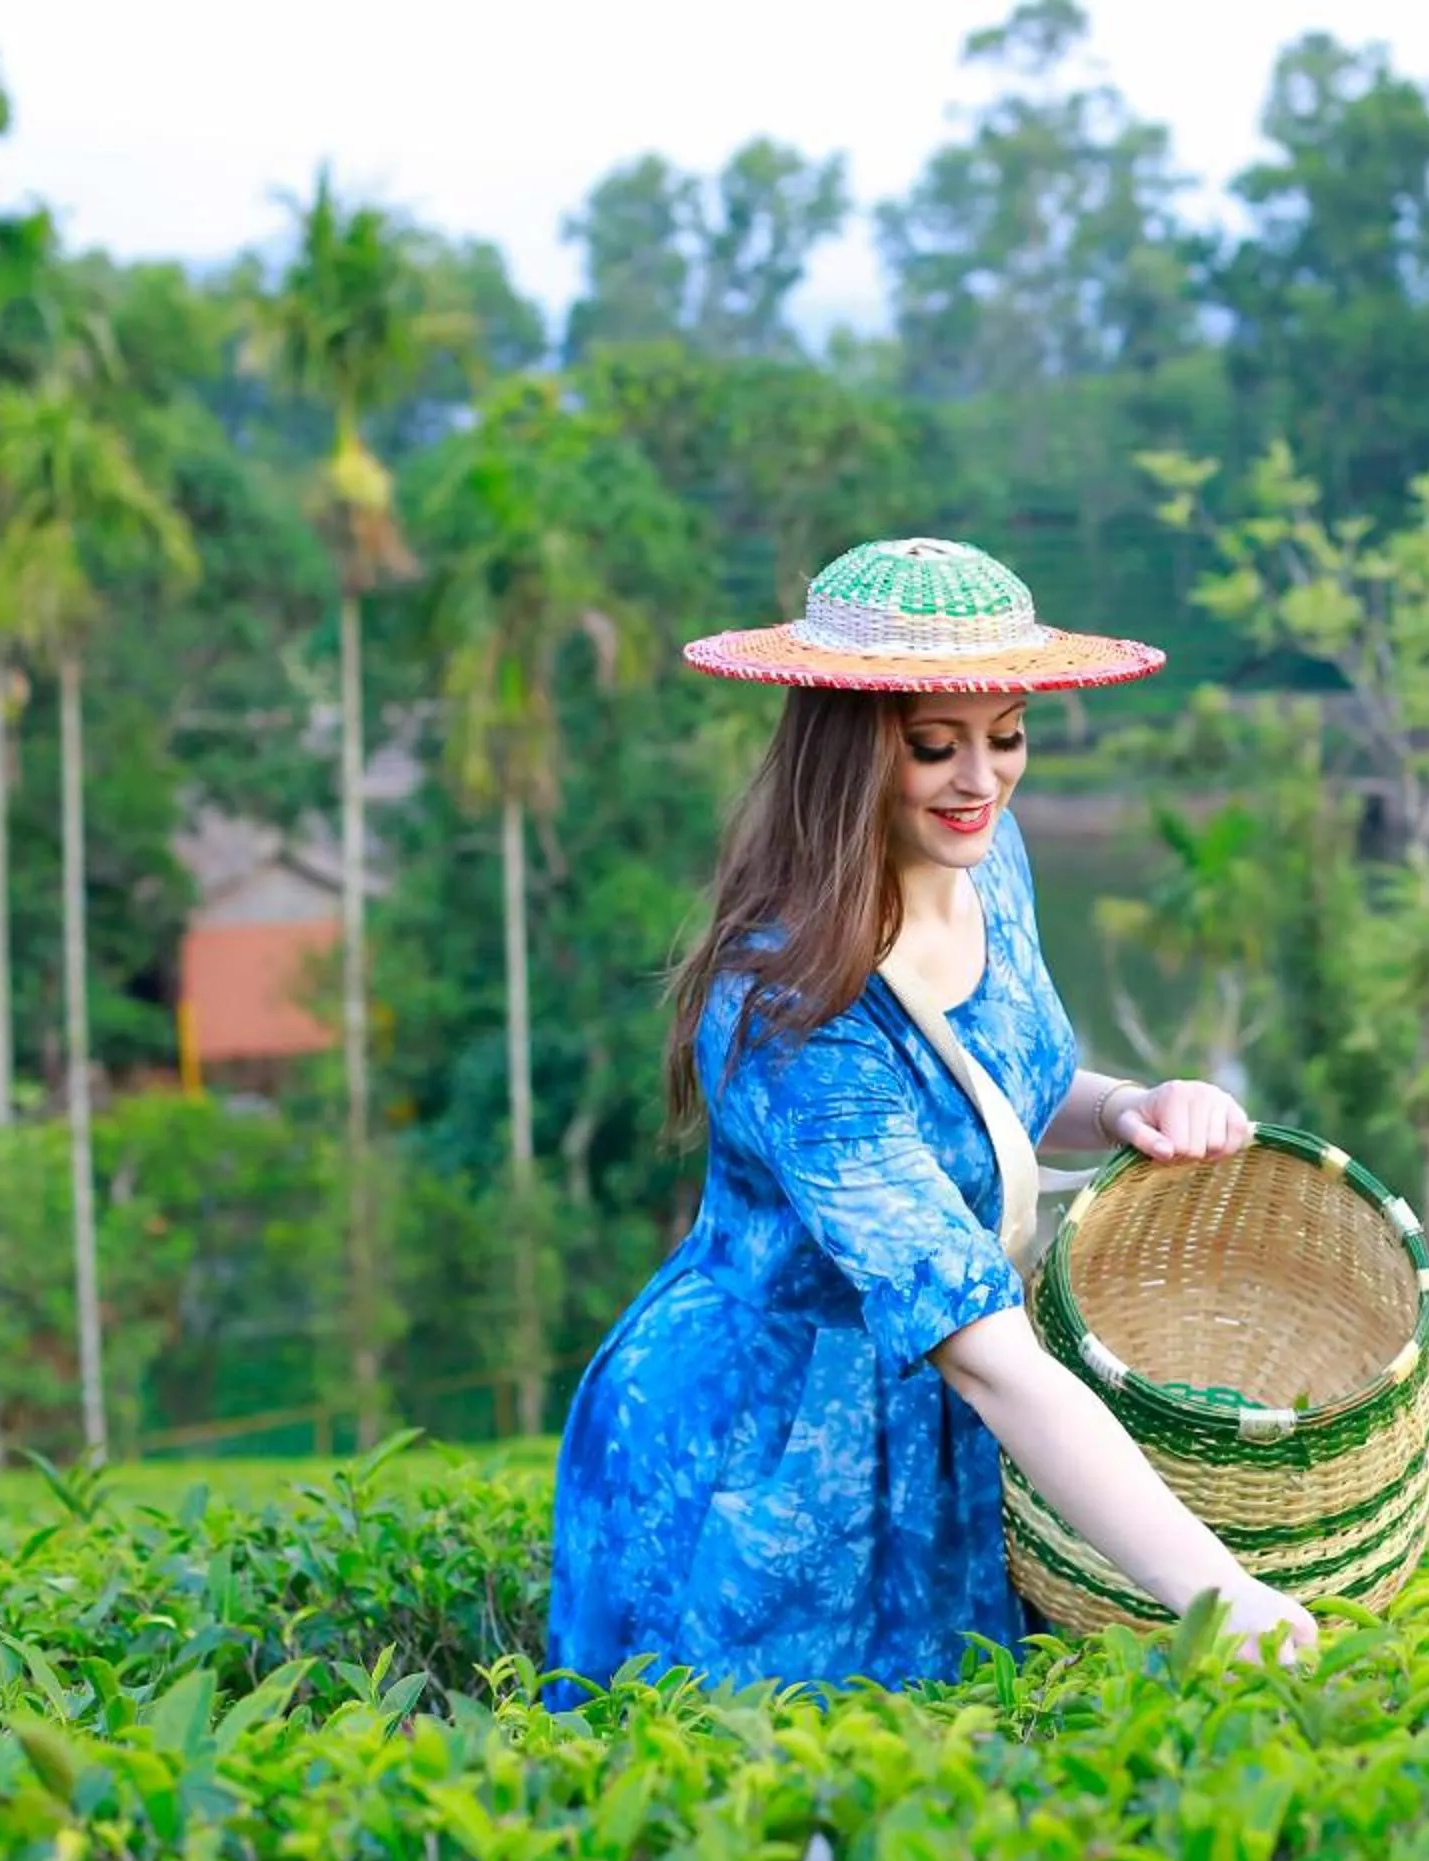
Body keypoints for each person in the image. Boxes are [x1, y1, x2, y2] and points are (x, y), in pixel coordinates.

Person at [544, 538, 1319, 1704]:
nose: (980, 778)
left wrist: (1125, 1104)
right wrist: (1219, 1593)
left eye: (1005, 734)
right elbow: (990, 1357)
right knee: (754, 1817)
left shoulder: (986, 857)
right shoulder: (795, 1008)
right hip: (769, 1444)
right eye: (932, 746)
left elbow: (992, 1088)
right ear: (849, 749)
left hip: (929, 1423)